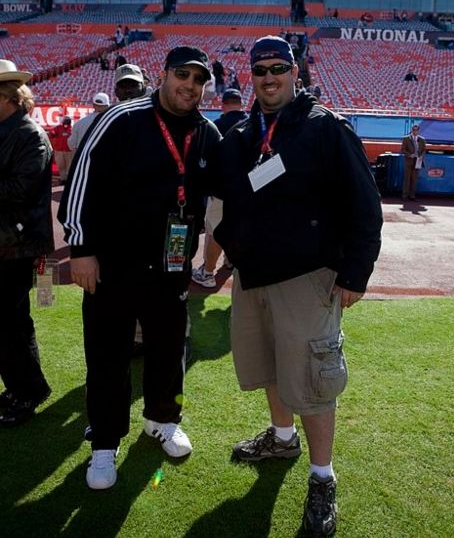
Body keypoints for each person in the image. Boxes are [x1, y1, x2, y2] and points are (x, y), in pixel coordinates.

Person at [212, 36, 383, 536]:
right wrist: (225, 254)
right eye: (260, 70)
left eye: (278, 68)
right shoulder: (244, 132)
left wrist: (356, 273)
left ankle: (322, 477)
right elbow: (233, 197)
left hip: (308, 278)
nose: (269, 77)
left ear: (295, 71)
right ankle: (282, 439)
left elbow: (364, 205)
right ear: (251, 76)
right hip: (253, 278)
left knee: (311, 377)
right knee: (269, 366)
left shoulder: (325, 127)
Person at [58, 46, 220, 490]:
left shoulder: (206, 133)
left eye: (199, 80)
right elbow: (80, 183)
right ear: (164, 75)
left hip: (170, 267)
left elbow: (233, 184)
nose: (190, 85)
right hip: (112, 264)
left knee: (169, 351)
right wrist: (82, 248)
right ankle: (105, 444)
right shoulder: (122, 119)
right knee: (108, 355)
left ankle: (162, 420)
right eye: (182, 75)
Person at [0, 60, 53, 427]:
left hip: (16, 245)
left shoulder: (29, 134)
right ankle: (22, 387)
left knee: (10, 323)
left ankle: (28, 390)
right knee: (8, 322)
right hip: (7, 242)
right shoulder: (10, 130)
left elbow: (21, 189)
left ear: (6, 97)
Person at [192, 89, 248, 288]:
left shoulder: (216, 126)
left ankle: (207, 272)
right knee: (238, 229)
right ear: (241, 103)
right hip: (246, 191)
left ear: (223, 105)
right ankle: (230, 260)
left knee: (215, 231)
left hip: (222, 190)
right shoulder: (251, 124)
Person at [401, 124, 426, 201]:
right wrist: (409, 155)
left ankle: (412, 196)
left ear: (418, 131)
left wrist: (421, 156)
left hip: (417, 161)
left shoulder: (422, 139)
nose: (415, 131)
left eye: (416, 130)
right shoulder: (406, 138)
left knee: (414, 179)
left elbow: (424, 150)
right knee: (407, 179)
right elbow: (403, 149)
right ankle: (405, 195)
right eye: (414, 130)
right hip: (409, 160)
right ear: (412, 130)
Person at [49, 116, 73, 184]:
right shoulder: (58, 128)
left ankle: (68, 179)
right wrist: (52, 133)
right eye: (65, 122)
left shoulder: (73, 129)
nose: (65, 124)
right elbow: (52, 132)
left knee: (69, 165)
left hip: (69, 150)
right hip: (59, 150)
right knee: (61, 165)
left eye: (67, 122)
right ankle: (63, 179)